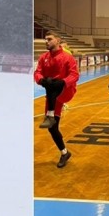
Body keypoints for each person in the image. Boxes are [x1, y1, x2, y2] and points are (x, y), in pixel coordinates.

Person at [34, 30, 80, 168]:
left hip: (66, 90)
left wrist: (63, 82)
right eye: (45, 39)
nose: (46, 42)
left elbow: (74, 75)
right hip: (52, 95)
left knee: (53, 84)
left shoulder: (67, 57)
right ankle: (64, 152)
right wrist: (41, 80)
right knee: (52, 129)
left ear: (58, 41)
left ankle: (49, 115)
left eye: (49, 39)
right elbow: (37, 72)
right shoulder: (43, 57)